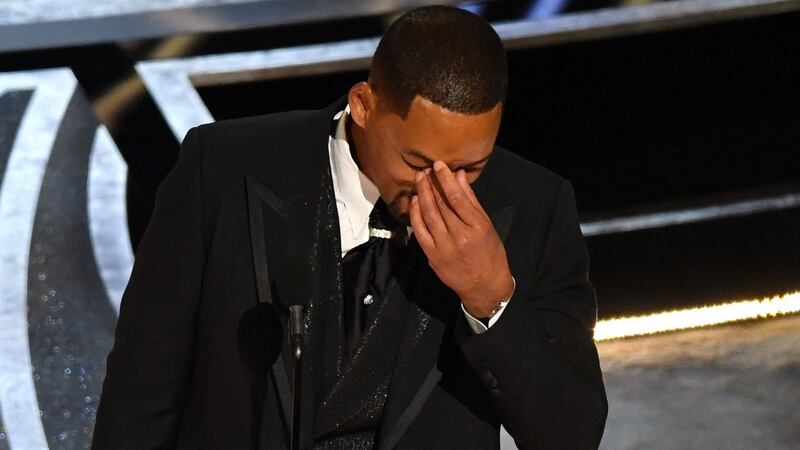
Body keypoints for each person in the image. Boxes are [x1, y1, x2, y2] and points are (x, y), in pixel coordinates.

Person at [92, 5, 607, 450]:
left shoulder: (534, 207)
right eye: (416, 162)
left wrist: (492, 299)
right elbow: (142, 389)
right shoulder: (223, 169)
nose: (442, 188)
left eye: (472, 167)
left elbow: (571, 432)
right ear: (363, 105)